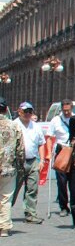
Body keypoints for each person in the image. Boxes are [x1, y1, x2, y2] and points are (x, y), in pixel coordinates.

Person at [12, 102, 46, 224]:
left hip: (33, 161)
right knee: (13, 189)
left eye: (30, 111)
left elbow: (41, 144)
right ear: (19, 111)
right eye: (25, 111)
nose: (27, 114)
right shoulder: (14, 125)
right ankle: (4, 213)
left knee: (32, 188)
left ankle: (30, 214)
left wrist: (42, 160)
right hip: (17, 162)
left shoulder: (36, 127)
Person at [0, 97, 24, 237]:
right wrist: (21, 165)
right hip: (8, 168)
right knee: (6, 198)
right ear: (5, 109)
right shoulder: (14, 126)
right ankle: (4, 227)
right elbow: (20, 149)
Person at [48, 99, 74, 216]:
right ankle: (64, 207)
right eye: (64, 111)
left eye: (68, 110)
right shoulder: (56, 120)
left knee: (74, 181)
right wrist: (49, 152)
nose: (66, 113)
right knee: (62, 181)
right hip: (61, 150)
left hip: (73, 150)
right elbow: (49, 137)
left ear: (72, 108)